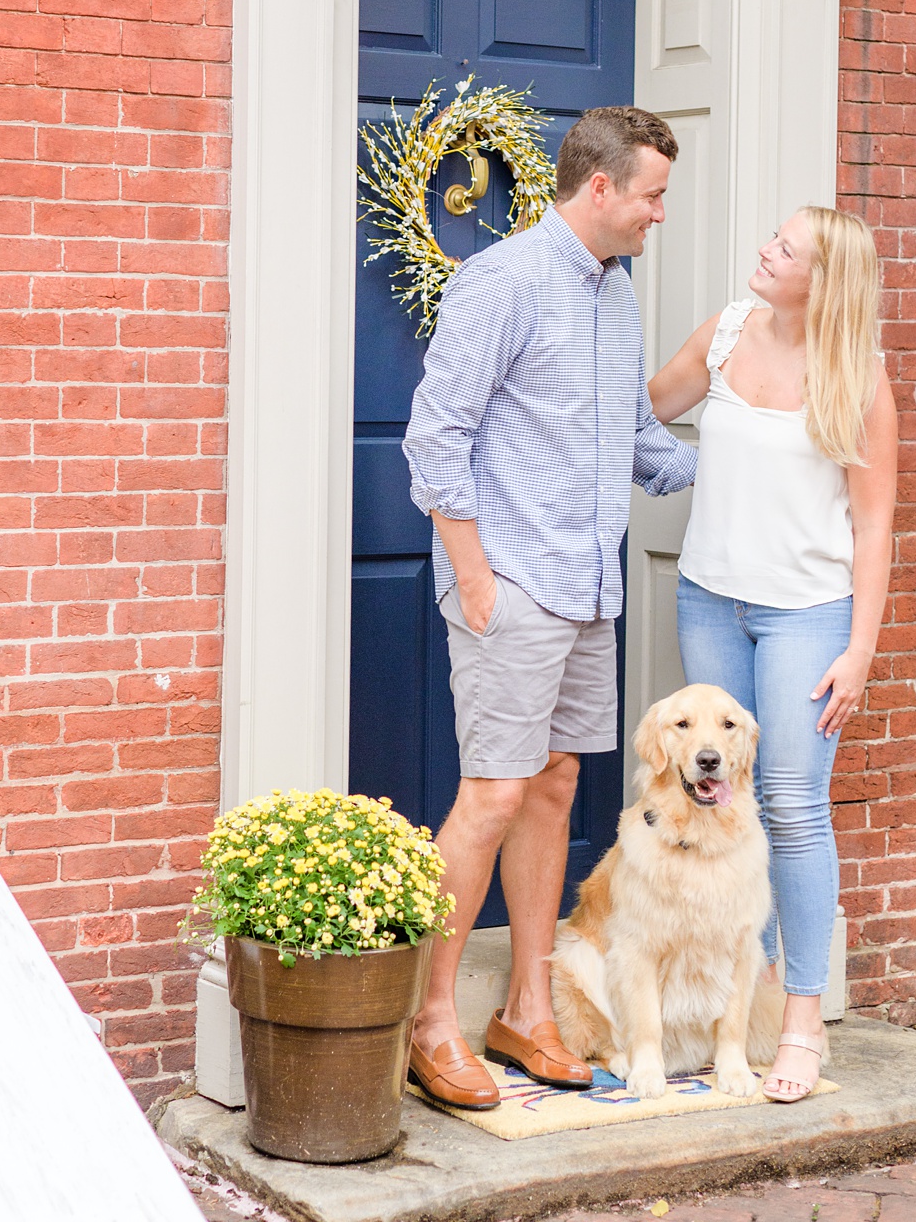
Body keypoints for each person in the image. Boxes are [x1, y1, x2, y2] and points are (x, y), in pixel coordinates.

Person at [399, 105, 697, 1110]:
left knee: (557, 784)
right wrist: (476, 576)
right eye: (652, 195)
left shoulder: (617, 293)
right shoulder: (506, 281)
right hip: (515, 580)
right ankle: (430, 1021)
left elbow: (632, 440)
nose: (661, 214)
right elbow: (435, 436)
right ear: (602, 187)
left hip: (590, 585)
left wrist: (747, 461)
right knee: (490, 793)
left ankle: (527, 1008)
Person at [646, 206, 895, 1103]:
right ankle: (731, 1013)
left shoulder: (858, 379)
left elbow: (873, 526)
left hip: (809, 618)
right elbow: (643, 409)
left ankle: (799, 1021)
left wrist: (860, 648)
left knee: (789, 803)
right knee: (721, 804)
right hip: (711, 597)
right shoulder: (722, 336)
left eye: (785, 249)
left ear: (823, 281)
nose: (764, 250)